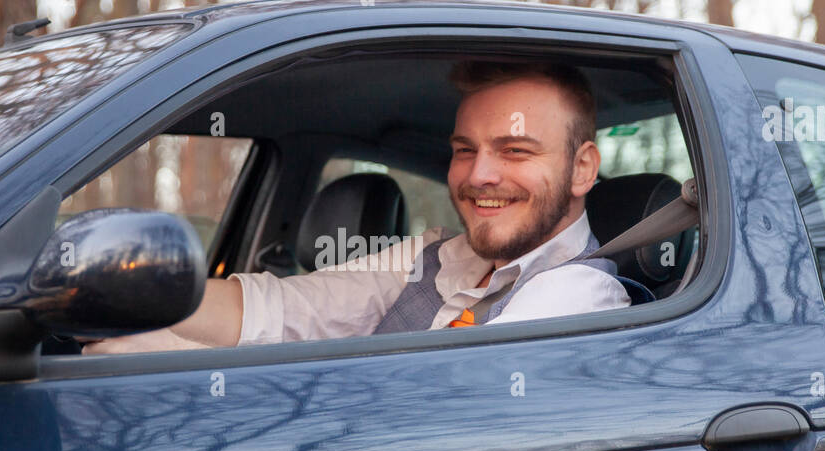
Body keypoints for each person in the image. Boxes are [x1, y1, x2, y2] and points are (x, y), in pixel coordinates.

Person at [82, 60, 630, 354]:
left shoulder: (579, 294)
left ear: (583, 168)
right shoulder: (439, 255)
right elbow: (292, 310)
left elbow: (436, 415)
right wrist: (131, 297)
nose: (479, 174)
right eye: (465, 150)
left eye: (514, 150)